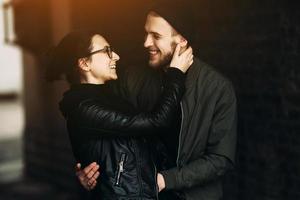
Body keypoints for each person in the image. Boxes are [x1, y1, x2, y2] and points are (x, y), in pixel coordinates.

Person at [77, 1, 237, 200]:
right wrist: (86, 168)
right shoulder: (132, 79)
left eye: (156, 36)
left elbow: (221, 159)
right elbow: (104, 132)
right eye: (146, 33)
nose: (146, 43)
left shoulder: (217, 88)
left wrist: (164, 180)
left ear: (182, 41)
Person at [46, 30, 193, 199]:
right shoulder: (84, 108)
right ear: (84, 64)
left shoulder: (111, 95)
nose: (115, 56)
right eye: (107, 51)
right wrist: (176, 74)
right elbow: (156, 121)